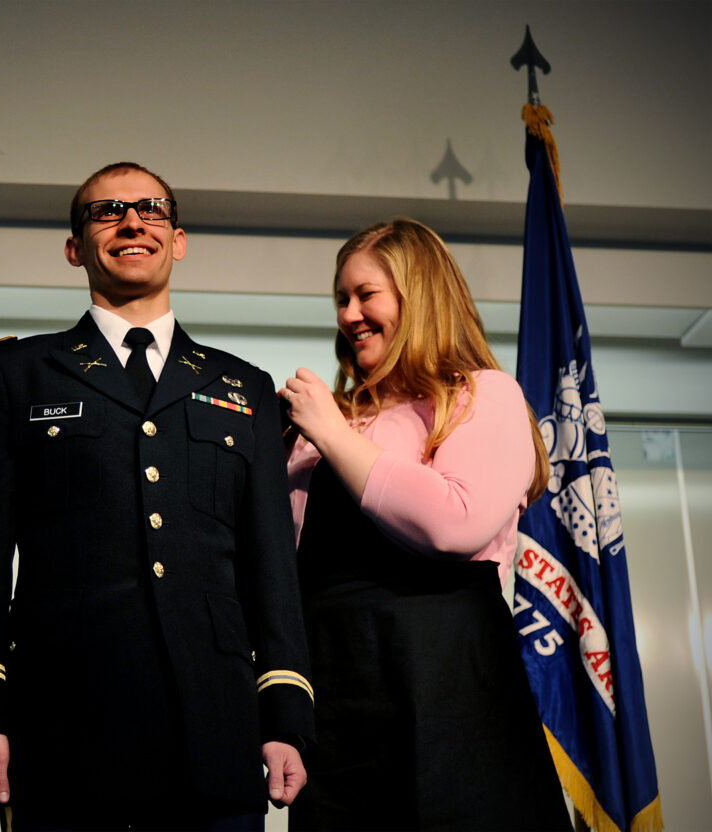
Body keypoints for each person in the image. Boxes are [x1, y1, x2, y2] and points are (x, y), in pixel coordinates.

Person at [0, 162, 316, 831]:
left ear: (178, 240)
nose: (132, 221)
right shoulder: (16, 374)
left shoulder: (244, 387)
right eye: (107, 211)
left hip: (215, 731)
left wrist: (286, 716)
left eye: (151, 209)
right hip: (64, 728)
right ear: (74, 248)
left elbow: (273, 569)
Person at [280, 218, 571, 830]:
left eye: (366, 295)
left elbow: (453, 523)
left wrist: (330, 431)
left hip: (451, 689)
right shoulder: (321, 429)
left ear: (419, 297)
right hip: (336, 695)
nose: (349, 315)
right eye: (341, 298)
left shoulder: (481, 395)